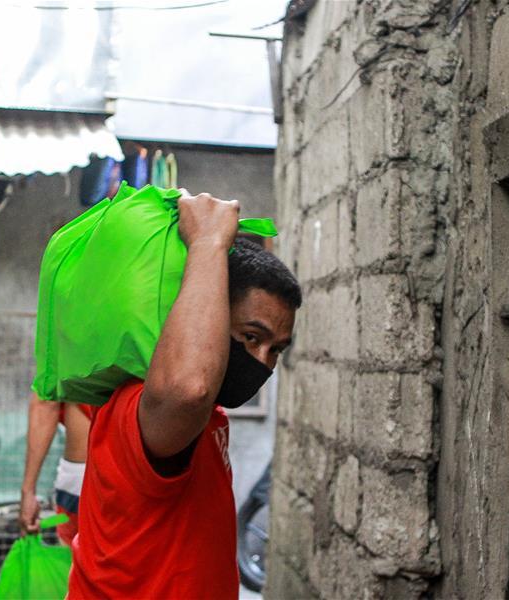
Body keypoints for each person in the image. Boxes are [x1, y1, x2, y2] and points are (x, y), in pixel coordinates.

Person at [67, 191, 301, 599]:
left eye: (276, 349)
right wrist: (208, 242)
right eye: (251, 337)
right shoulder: (141, 410)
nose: (263, 361)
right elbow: (189, 388)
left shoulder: (210, 418)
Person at [19, 394, 92, 546]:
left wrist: (28, 490)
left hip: (79, 474)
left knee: (74, 563)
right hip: (133, 472)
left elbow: (46, 403)